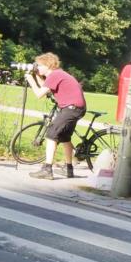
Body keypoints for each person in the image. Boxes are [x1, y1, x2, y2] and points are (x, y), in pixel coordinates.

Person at [24, 52, 86, 180]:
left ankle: (47, 170)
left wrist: (30, 80)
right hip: (76, 108)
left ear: (48, 65)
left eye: (39, 65)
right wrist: (37, 76)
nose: (37, 67)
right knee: (65, 137)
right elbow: (45, 87)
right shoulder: (58, 74)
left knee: (51, 135)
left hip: (70, 108)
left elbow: (39, 94)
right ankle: (69, 169)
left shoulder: (55, 75)